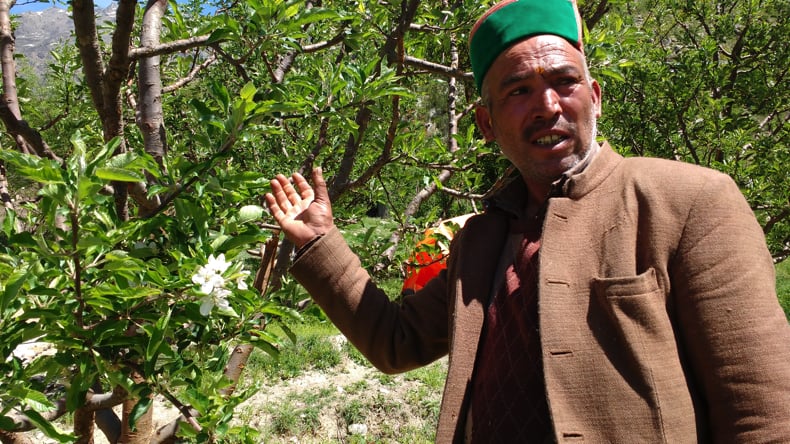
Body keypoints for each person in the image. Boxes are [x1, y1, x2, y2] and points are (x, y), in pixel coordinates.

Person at [264, 0, 790, 441]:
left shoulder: (687, 200)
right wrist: (321, 243)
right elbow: (396, 342)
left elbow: (763, 413)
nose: (547, 105)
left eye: (565, 81)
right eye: (518, 90)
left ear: (596, 97)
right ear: (486, 123)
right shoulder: (480, 239)